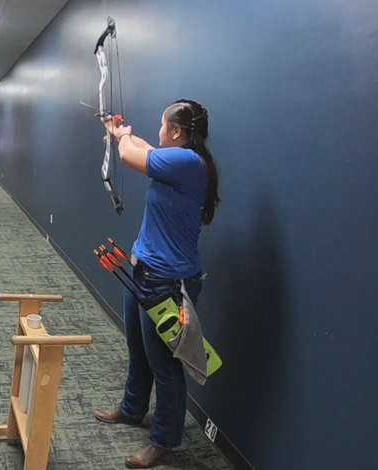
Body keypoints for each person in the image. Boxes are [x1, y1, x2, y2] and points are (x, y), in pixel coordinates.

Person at [94, 99, 220, 468]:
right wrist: (123, 134)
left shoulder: (187, 162)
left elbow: (135, 156)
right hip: (144, 269)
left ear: (177, 131)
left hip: (168, 281)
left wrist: (121, 137)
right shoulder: (181, 159)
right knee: (139, 348)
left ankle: (164, 441)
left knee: (165, 365)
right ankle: (132, 409)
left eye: (163, 125)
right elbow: (147, 150)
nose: (160, 131)